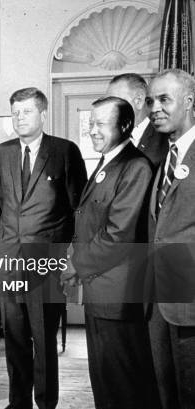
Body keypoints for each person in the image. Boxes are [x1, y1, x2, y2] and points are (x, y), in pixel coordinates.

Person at [0, 87, 87, 409]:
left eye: (27, 111)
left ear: (43, 115)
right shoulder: (3, 153)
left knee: (44, 339)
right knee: (15, 338)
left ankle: (46, 403)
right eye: (15, 112)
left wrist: (70, 257)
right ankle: (18, 403)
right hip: (8, 261)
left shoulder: (64, 151)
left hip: (45, 260)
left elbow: (79, 207)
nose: (20, 118)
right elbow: (3, 204)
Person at [68, 96, 159, 408]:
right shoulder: (108, 161)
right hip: (100, 292)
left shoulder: (135, 167)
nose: (93, 130)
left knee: (122, 383)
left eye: (101, 124)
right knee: (104, 380)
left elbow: (118, 234)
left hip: (118, 297)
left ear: (124, 126)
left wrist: (74, 264)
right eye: (90, 124)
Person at [147, 68, 195, 409]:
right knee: (168, 396)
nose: (155, 108)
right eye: (151, 100)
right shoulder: (164, 158)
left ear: (190, 102)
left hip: (190, 306)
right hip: (159, 305)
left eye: (165, 99)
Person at [106, 73, 168, 168]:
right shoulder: (113, 140)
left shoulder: (165, 138)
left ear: (139, 100)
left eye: (116, 101)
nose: (110, 109)